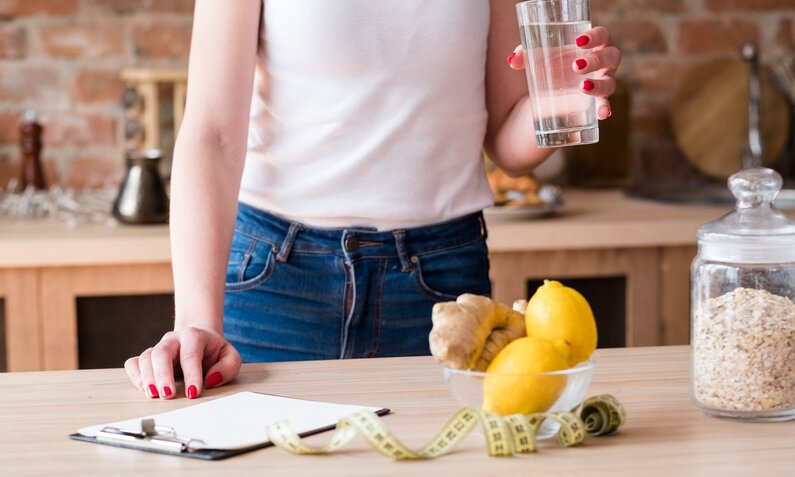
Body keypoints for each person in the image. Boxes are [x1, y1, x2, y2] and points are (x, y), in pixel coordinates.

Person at [124, 0, 621, 401]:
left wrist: (561, 102)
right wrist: (194, 321)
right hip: (277, 282)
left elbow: (506, 143)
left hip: (439, 283)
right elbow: (212, 135)